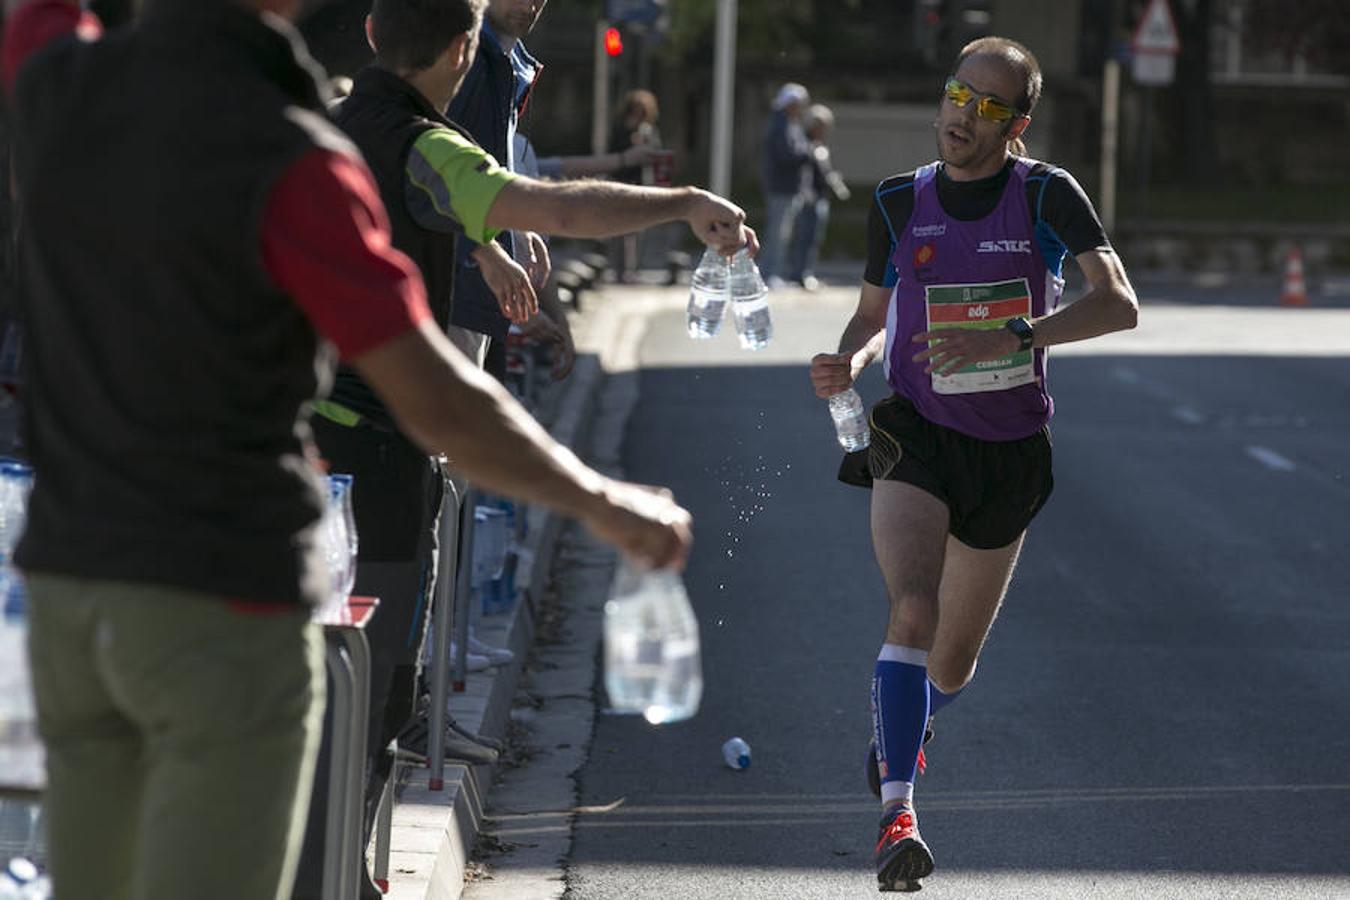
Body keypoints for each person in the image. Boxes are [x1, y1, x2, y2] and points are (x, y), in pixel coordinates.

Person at [1, 1, 747, 898]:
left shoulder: (55, 79)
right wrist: (603, 502)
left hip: (68, 595)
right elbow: (435, 393)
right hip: (222, 608)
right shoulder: (298, 163)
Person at [297, 2, 758, 896]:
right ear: (465, 50)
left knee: (319, 684)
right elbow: (551, 203)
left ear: (369, 30)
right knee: (379, 686)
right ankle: (338, 876)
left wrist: (487, 250)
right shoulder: (424, 143)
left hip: (298, 446)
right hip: (383, 459)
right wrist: (685, 202)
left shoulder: (328, 123)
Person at [808, 37, 1138, 892]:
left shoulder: (1045, 195)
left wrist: (1021, 333)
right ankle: (898, 814)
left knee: (951, 666)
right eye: (959, 93)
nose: (965, 113)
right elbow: (871, 318)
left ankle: (901, 724)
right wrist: (846, 357)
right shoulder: (895, 201)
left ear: (1017, 124)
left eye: (989, 106)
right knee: (911, 609)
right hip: (916, 432)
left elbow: (1119, 304)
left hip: (1011, 451)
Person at [444, 0, 547, 378]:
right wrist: (484, 249)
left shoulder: (504, 60)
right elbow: (426, 170)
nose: (530, 5)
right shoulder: (466, 59)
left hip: (477, 286)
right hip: (449, 284)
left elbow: (484, 173)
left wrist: (516, 227)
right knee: (451, 428)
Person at [786, 102, 851, 291]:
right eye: (822, 126)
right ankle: (799, 274)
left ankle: (806, 272)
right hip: (809, 199)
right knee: (804, 238)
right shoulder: (805, 145)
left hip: (821, 198)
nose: (825, 131)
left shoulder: (819, 146)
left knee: (814, 239)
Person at [760, 81, 813, 287]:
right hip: (781, 187)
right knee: (777, 233)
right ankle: (769, 274)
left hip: (788, 187)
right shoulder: (780, 124)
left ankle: (774, 272)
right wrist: (808, 153)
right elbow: (786, 155)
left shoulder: (791, 123)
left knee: (782, 233)